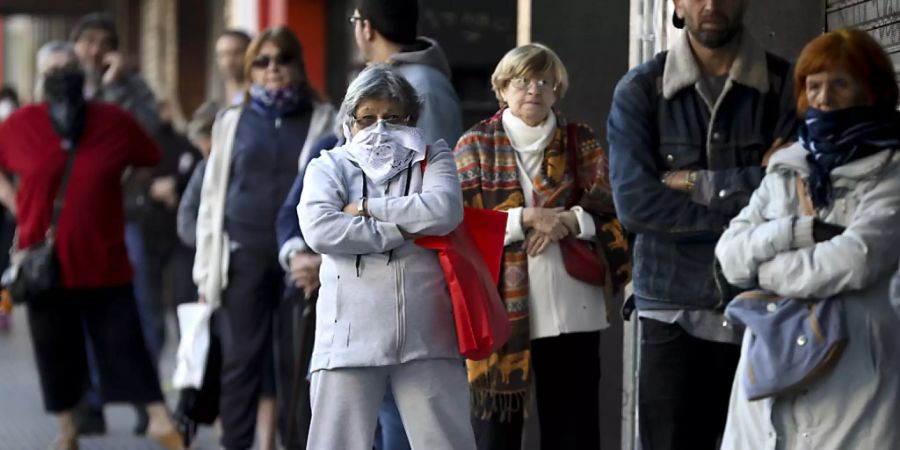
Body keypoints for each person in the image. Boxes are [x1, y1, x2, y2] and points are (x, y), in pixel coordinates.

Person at [606, 0, 800, 448]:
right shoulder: (641, 89)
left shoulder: (784, 85)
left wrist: (692, 182)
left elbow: (795, 194)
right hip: (671, 306)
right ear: (676, 3)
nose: (711, 4)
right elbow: (635, 203)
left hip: (760, 305)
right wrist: (750, 204)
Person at [715, 28, 900, 449]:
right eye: (814, 85)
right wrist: (797, 231)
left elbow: (857, 259)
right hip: (772, 369)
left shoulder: (891, 170)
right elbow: (730, 255)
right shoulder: (787, 170)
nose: (824, 98)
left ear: (871, 91)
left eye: (840, 84)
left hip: (859, 373)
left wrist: (769, 273)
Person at [0, 41, 182, 450]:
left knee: (126, 341)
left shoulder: (112, 120)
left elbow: (149, 154)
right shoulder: (20, 124)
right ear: (40, 77)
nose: (62, 77)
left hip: (103, 255)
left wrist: (117, 180)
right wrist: (13, 201)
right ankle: (67, 429)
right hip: (43, 259)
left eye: (69, 68)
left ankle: (157, 418)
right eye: (53, 70)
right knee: (54, 349)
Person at [454, 43, 629, 450]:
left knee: (572, 428)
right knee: (495, 434)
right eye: (522, 81)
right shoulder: (474, 144)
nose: (533, 89)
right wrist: (526, 219)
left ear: (557, 91)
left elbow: (614, 211)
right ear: (502, 88)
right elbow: (458, 223)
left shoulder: (579, 140)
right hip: (500, 310)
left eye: (544, 82)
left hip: (572, 308)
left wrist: (568, 221)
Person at [298, 64, 475, 450]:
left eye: (393, 118)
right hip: (347, 336)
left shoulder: (434, 156)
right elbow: (321, 230)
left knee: (447, 442)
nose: (380, 128)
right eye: (367, 118)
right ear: (350, 121)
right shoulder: (328, 165)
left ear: (411, 119)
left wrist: (361, 208)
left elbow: (444, 210)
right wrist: (403, 228)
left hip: (426, 335)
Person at [193, 26, 335, 450]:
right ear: (252, 68)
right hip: (242, 253)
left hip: (301, 255)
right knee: (240, 362)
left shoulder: (322, 117)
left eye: (283, 59)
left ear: (297, 65)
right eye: (263, 60)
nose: (273, 68)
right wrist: (205, 269)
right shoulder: (231, 121)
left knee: (297, 362)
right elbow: (212, 196)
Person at [350, 2, 463, 445]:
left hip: (409, 277)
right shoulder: (389, 83)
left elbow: (426, 198)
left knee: (403, 413)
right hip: (371, 273)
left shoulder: (423, 89)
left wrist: (361, 214)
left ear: (366, 27)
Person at [69, 12, 162, 435]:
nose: (94, 49)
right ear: (75, 47)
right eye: (86, 41)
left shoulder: (133, 88)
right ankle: (89, 402)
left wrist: (117, 86)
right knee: (80, 313)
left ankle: (147, 399)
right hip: (78, 221)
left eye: (102, 41)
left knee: (141, 312)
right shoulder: (64, 85)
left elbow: (147, 136)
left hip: (128, 217)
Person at [177, 100, 219, 248]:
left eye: (209, 150)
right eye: (204, 152)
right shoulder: (204, 170)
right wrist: (211, 241)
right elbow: (185, 220)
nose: (209, 158)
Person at [216, 30, 252, 106]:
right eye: (223, 55)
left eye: (237, 53)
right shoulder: (215, 105)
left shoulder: (262, 98)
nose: (229, 61)